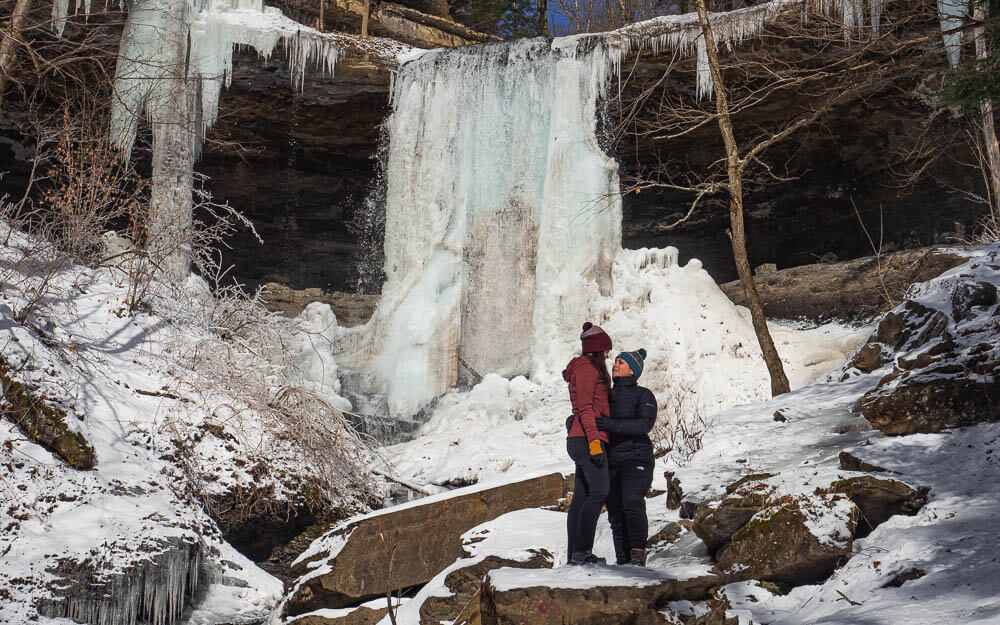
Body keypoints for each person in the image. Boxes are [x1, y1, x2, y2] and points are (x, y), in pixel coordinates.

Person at [599, 348, 657, 566]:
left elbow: (644, 424)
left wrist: (610, 424)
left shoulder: (644, 395)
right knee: (615, 513)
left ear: (633, 370)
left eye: (621, 362)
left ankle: (637, 553)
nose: (615, 365)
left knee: (631, 501)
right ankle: (623, 562)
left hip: (637, 457)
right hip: (611, 461)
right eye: (615, 361)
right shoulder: (607, 395)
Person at [563, 321, 612, 565]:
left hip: (581, 437)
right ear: (596, 351)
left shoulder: (587, 368)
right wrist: (594, 442)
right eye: (605, 352)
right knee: (600, 491)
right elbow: (585, 408)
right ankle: (582, 552)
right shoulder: (586, 369)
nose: (607, 356)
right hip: (585, 439)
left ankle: (575, 555)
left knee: (582, 496)